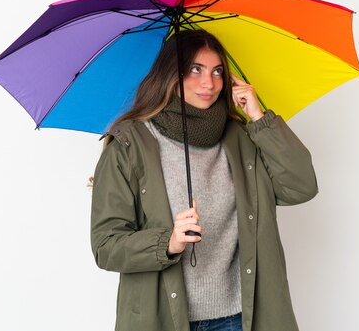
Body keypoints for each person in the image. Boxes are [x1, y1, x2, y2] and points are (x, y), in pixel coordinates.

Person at [90, 29, 318, 331]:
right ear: (171, 74)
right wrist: (167, 242)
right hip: (164, 319)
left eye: (217, 72)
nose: (209, 83)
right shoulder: (130, 146)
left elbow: (301, 187)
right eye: (195, 70)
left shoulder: (243, 138)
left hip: (241, 317)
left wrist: (260, 119)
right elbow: (106, 246)